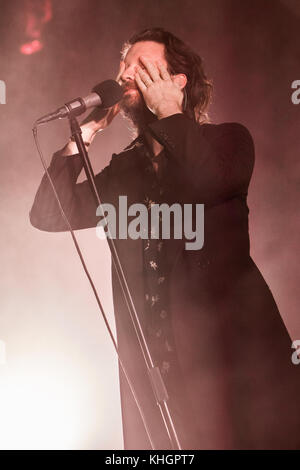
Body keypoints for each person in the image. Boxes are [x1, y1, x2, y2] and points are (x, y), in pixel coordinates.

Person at [30, 27, 300, 449]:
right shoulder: (125, 171)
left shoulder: (228, 140)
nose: (125, 74)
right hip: (159, 379)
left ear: (177, 81)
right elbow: (48, 214)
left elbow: (209, 180)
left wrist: (172, 114)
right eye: (123, 65)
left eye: (142, 65)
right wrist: (84, 136)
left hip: (233, 372)